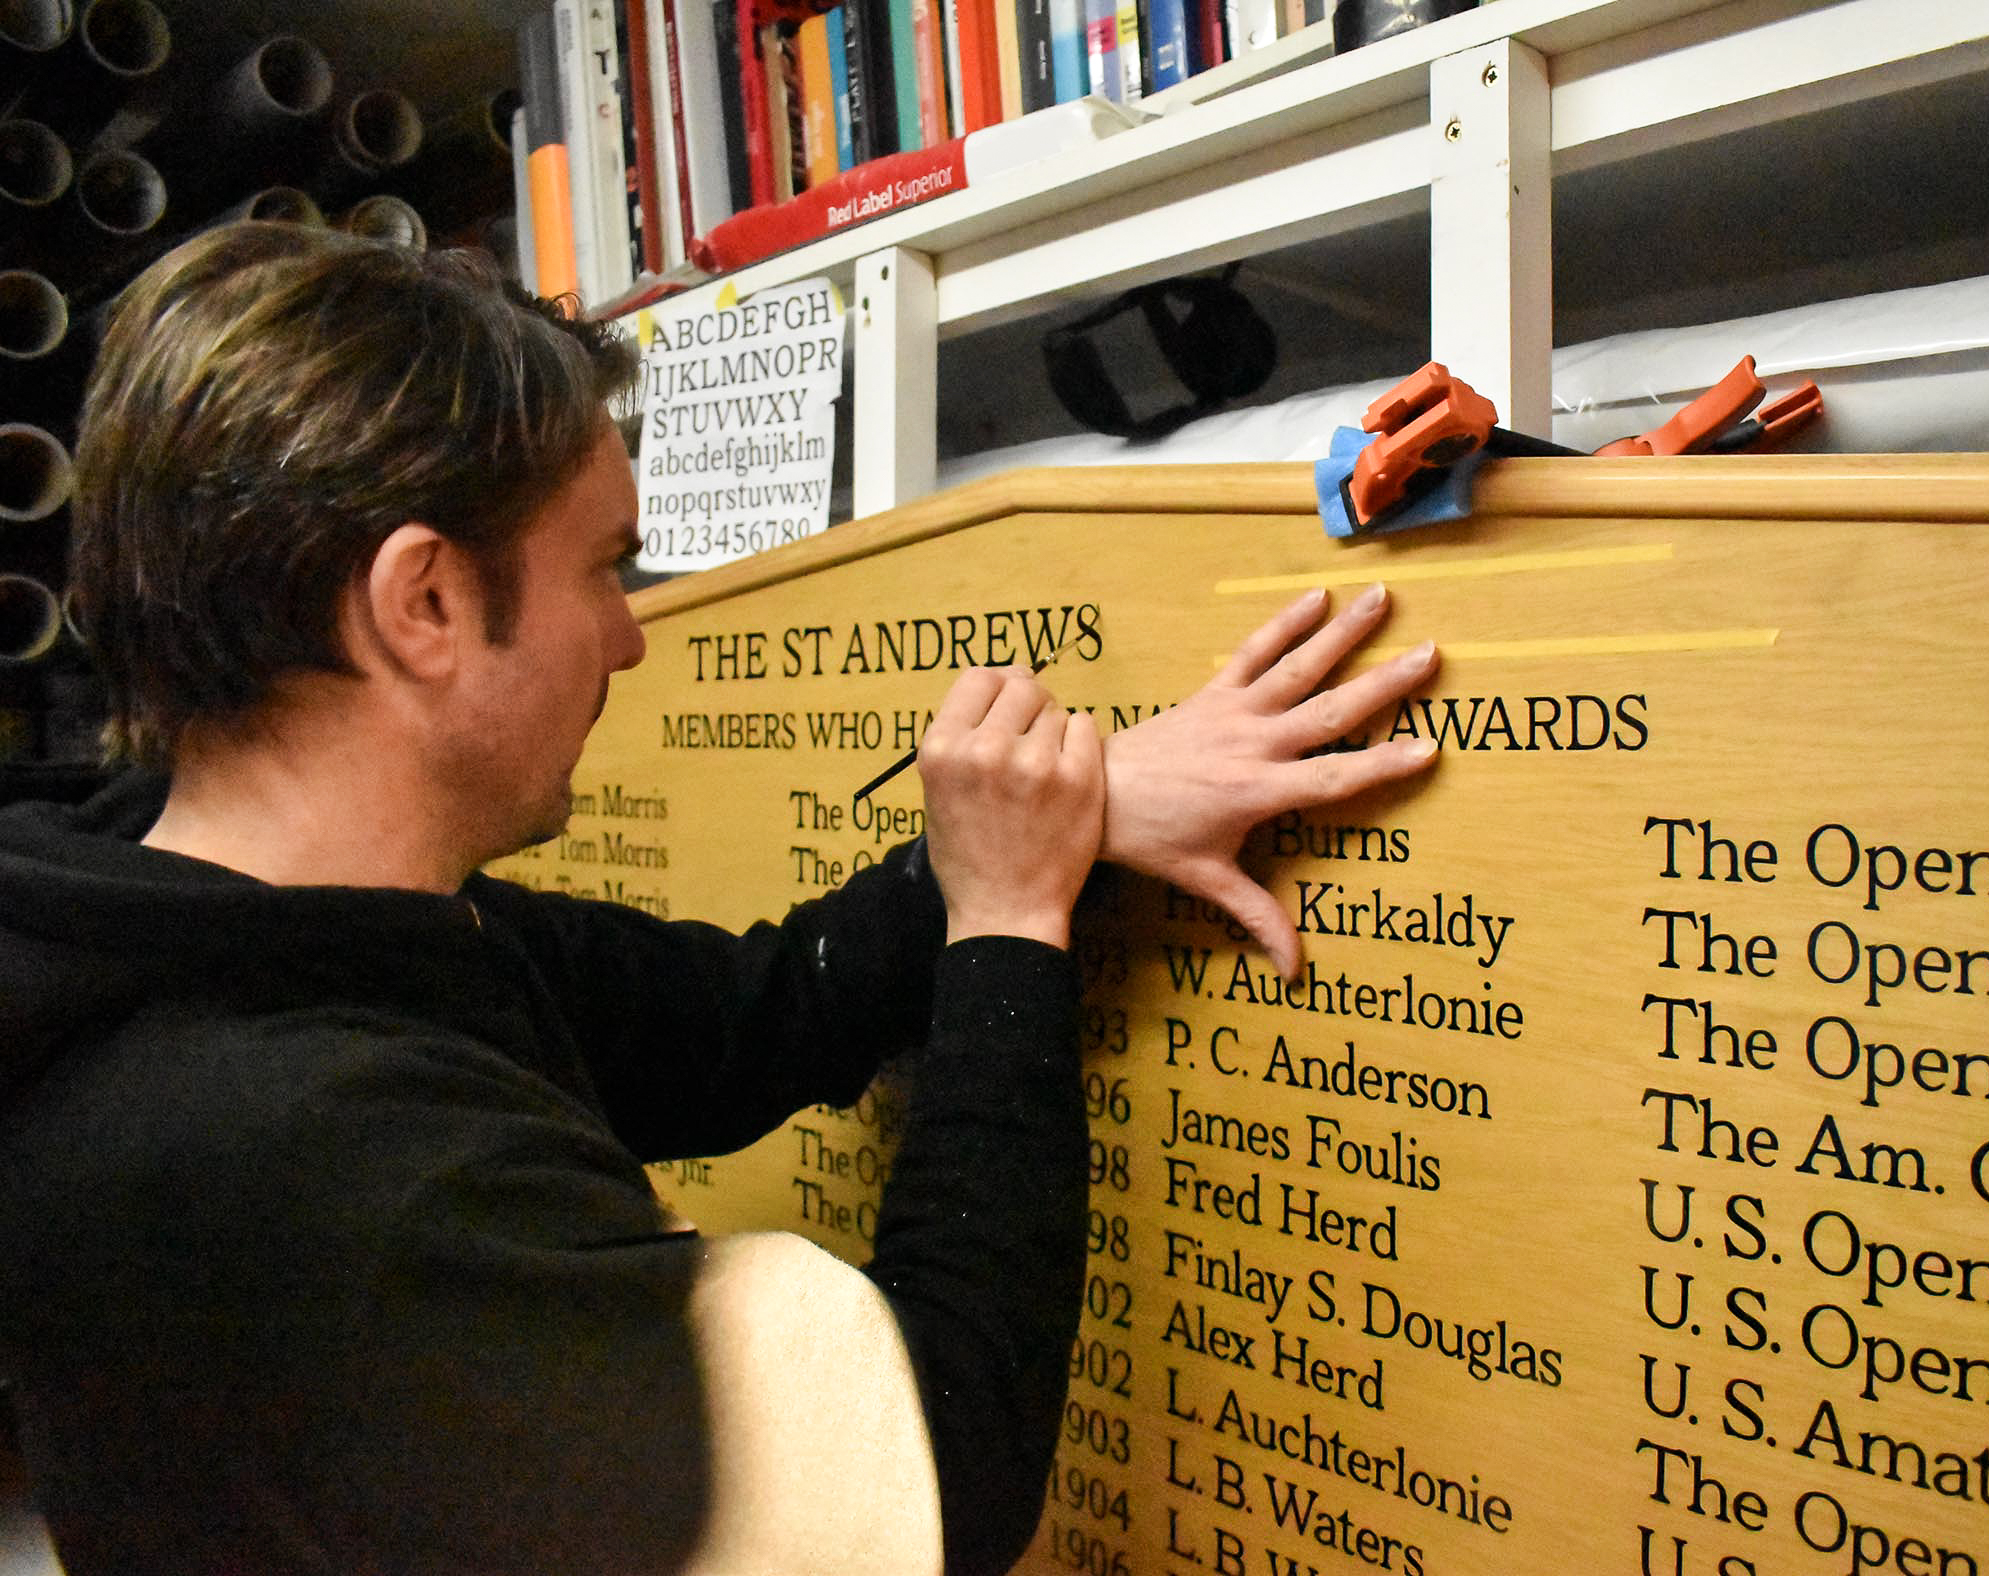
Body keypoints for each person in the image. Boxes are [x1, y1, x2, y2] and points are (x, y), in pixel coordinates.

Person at [0, 223, 1441, 1576]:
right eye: (604, 567)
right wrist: (1009, 927)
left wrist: (1079, 812)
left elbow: (736, 1020)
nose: (630, 637)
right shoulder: (330, 1166)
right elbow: (942, 1475)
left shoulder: (211, 913)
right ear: (422, 605)